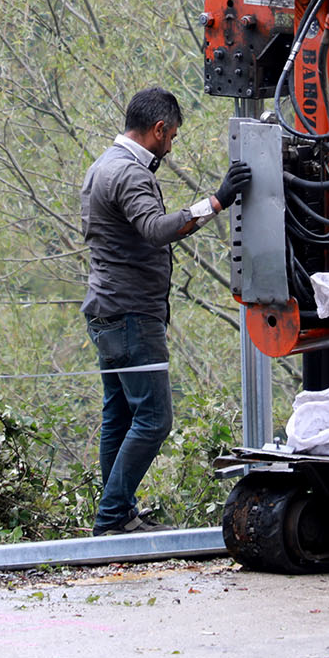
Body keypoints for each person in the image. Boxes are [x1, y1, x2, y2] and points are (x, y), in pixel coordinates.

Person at [81, 87, 251, 535]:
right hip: (132, 315)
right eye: (172, 136)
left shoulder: (101, 166)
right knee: (155, 418)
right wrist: (217, 201)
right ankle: (112, 516)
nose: (171, 145)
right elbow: (156, 230)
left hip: (106, 311)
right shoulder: (130, 174)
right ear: (158, 130)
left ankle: (120, 512)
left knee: (119, 414)